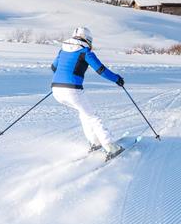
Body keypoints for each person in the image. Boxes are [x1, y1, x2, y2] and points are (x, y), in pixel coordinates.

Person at [51, 26, 126, 159]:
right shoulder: (85, 52)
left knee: (84, 113)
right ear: (87, 39)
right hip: (72, 90)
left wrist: (63, 78)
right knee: (93, 116)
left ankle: (94, 142)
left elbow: (54, 67)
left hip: (56, 90)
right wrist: (117, 79)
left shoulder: (62, 49)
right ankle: (110, 146)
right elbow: (101, 70)